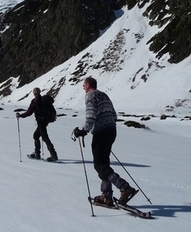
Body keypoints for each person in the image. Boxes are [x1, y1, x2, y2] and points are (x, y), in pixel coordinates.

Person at [73, 77, 136, 206]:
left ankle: (125, 187)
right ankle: (107, 196)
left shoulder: (90, 96)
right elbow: (114, 115)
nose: (83, 87)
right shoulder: (104, 95)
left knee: (99, 165)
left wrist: (84, 130)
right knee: (104, 163)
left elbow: (90, 115)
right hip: (111, 130)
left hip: (101, 133)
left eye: (84, 85)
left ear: (89, 85)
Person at [16, 87, 58, 162]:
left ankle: (53, 155)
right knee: (36, 135)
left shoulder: (35, 101)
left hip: (40, 121)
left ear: (34, 93)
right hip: (45, 121)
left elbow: (29, 112)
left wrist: (21, 115)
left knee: (45, 137)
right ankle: (37, 153)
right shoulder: (44, 99)